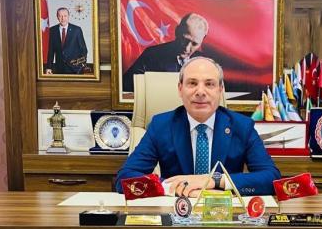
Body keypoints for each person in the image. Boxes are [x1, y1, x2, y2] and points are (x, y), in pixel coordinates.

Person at [115, 57, 281, 197]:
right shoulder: (161, 125)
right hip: (176, 213)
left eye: (209, 84)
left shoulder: (242, 126)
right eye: (192, 83)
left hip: (224, 215)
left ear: (220, 90)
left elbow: (271, 178)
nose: (200, 91)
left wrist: (214, 180)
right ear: (180, 89)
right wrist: (174, 187)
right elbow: (125, 179)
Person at [121, 13, 208, 92]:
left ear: (203, 40)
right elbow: (127, 87)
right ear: (177, 31)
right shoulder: (151, 55)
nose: (187, 48)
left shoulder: (205, 63)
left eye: (194, 44)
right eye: (184, 39)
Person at [44, 7, 88, 75]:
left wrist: (80, 66)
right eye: (60, 16)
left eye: (65, 16)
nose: (63, 18)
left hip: (75, 70)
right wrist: (49, 67)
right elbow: (51, 51)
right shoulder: (53, 30)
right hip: (59, 69)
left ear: (68, 16)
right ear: (57, 17)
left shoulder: (76, 30)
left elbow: (83, 50)